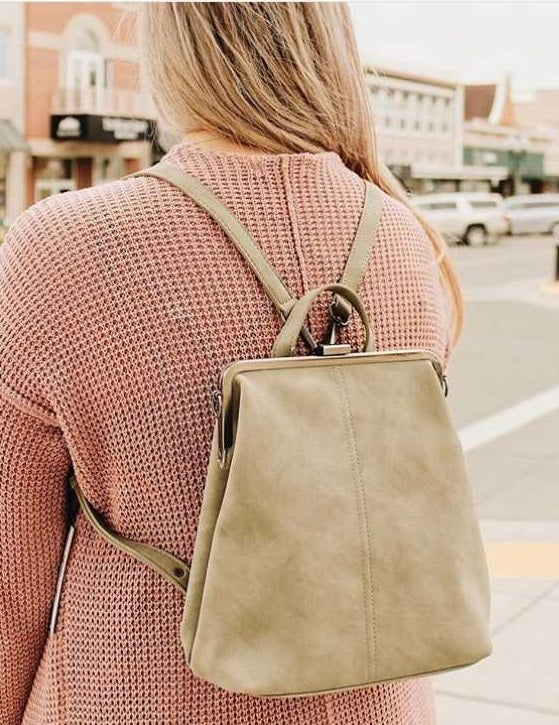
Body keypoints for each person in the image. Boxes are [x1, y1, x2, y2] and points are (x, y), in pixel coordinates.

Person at [0, 3, 463, 723]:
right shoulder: (404, 237)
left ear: (172, 50)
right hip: (381, 700)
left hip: (133, 693)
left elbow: (10, 585)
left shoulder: (60, 246)